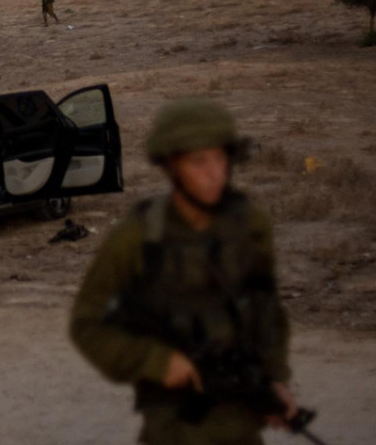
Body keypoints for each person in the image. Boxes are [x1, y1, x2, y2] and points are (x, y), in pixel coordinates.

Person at [70, 98, 297, 445]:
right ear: (171, 165)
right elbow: (87, 324)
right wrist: (158, 362)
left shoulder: (250, 225)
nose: (214, 173)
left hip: (242, 420)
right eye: (199, 161)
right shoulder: (137, 237)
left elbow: (266, 306)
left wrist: (274, 378)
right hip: (173, 426)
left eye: (221, 158)